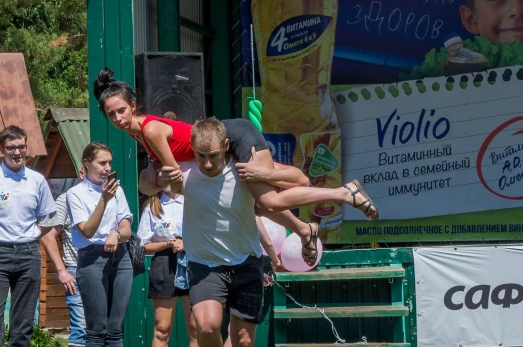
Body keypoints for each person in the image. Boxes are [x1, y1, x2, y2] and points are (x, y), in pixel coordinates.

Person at [93, 67, 379, 266]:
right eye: (111, 114)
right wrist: (153, 177)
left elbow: (176, 179)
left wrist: (156, 179)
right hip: (226, 138)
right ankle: (306, 231)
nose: (118, 118)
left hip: (235, 135)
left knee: (269, 200)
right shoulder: (137, 134)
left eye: (121, 110)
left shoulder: (151, 130)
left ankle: (344, 193)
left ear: (133, 105)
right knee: (259, 205)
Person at [160, 118, 270, 347]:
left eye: (213, 156)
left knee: (243, 340)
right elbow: (145, 184)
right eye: (201, 156)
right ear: (192, 149)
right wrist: (157, 179)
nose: (207, 164)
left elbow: (293, 181)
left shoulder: (245, 171)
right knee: (208, 326)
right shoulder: (185, 171)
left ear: (226, 146)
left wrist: (267, 174)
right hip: (206, 265)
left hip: (247, 262)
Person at [0, 125, 56, 347]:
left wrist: (32, 235)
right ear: (2, 149)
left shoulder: (37, 180)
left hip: (29, 254)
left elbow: (48, 220)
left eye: (21, 147)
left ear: (26, 147)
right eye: (11, 148)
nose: (17, 153)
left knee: (23, 324)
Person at [66, 142, 133, 347]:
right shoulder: (76, 193)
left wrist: (116, 233)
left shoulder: (117, 191)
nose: (107, 168)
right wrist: (104, 199)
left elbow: (127, 229)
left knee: (115, 330)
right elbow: (87, 230)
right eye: (102, 163)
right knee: (96, 329)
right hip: (92, 257)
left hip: (120, 257)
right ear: (86, 163)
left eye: (109, 163)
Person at [137, 188, 198, 347]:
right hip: (163, 263)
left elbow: (207, 234)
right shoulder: (152, 206)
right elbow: (143, 245)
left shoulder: (193, 201)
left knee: (195, 327)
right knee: (162, 328)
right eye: (163, 175)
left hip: (192, 262)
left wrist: (187, 242)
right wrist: (168, 243)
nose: (169, 181)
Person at [40, 168, 86, 347]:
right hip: (76, 269)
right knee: (80, 328)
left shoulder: (110, 197)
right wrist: (62, 271)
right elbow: (48, 235)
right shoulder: (66, 199)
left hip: (104, 270)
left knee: (104, 328)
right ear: (82, 172)